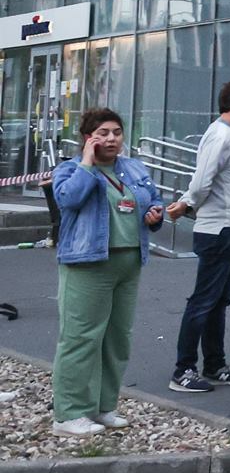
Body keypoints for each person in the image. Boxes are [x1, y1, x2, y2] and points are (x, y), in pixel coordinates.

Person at [49, 108, 165, 436]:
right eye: (102, 133)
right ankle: (69, 414)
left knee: (117, 339)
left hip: (129, 263)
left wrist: (154, 214)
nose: (111, 138)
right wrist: (87, 162)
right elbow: (68, 200)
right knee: (81, 338)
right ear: (88, 138)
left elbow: (152, 200)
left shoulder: (133, 168)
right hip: (88, 264)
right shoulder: (71, 170)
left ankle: (103, 407)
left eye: (116, 132)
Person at [166, 78, 230, 393]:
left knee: (219, 300)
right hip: (217, 230)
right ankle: (183, 370)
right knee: (204, 300)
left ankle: (215, 365)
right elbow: (203, 179)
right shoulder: (220, 135)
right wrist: (187, 203)